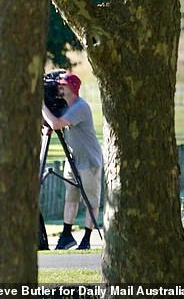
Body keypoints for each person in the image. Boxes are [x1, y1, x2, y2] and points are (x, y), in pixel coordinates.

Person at [41, 72, 103, 250]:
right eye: (58, 84)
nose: (59, 87)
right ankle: (67, 236)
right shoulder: (64, 105)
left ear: (73, 88)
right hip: (73, 159)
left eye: (63, 85)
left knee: (90, 201)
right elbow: (49, 124)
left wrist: (41, 105)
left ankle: (86, 240)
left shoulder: (80, 107)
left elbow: (56, 124)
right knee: (71, 198)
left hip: (89, 160)